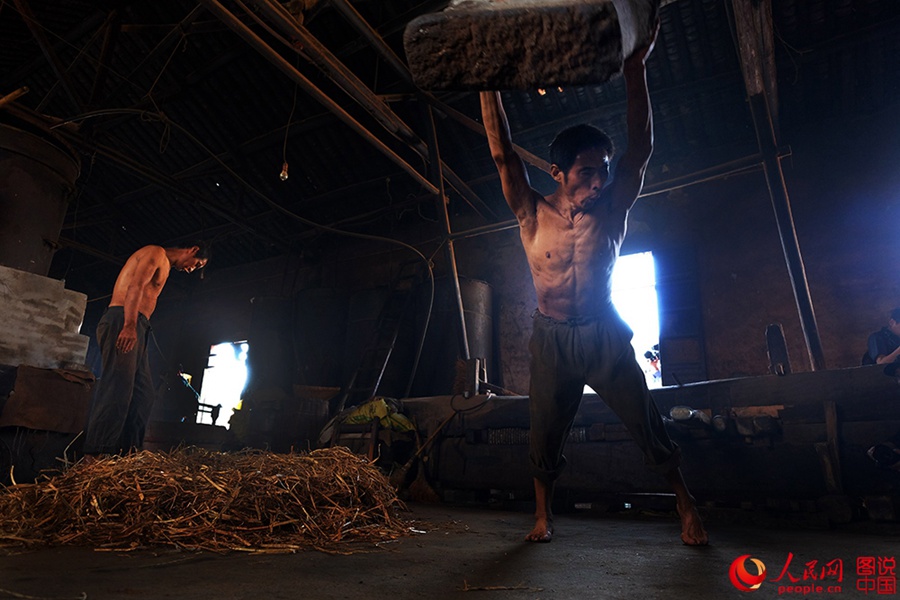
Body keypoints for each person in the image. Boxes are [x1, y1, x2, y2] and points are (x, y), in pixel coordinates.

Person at [480, 25, 707, 545]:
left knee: (643, 418)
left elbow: (641, 149)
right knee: (544, 430)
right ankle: (542, 516)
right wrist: (486, 83)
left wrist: (636, 69)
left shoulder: (613, 208)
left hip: (604, 332)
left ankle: (685, 504)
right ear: (558, 173)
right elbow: (502, 155)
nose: (599, 181)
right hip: (552, 339)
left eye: (602, 170)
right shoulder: (531, 213)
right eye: (587, 172)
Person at [82, 243, 209, 461]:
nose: (191, 270)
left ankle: (127, 455)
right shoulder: (155, 253)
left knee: (144, 394)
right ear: (193, 250)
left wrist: (137, 326)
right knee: (118, 387)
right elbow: (136, 287)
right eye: (196, 265)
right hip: (123, 319)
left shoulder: (165, 265)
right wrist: (129, 325)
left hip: (139, 325)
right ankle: (96, 454)